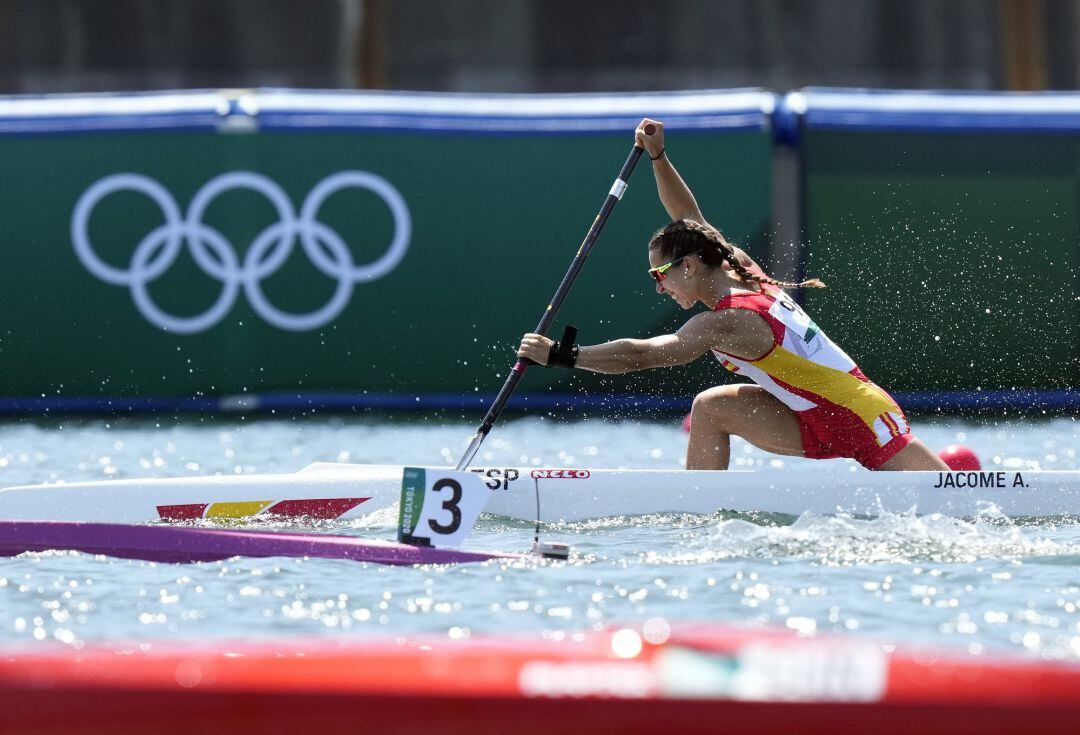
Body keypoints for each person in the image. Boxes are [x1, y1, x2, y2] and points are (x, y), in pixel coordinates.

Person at [518, 118, 948, 472]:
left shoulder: (726, 319)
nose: (658, 286)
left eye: (660, 274)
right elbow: (689, 219)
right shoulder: (736, 265)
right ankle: (700, 516)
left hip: (858, 415)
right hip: (815, 413)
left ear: (688, 265)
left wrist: (563, 356)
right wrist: (658, 156)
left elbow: (644, 355)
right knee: (711, 408)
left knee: (957, 509)